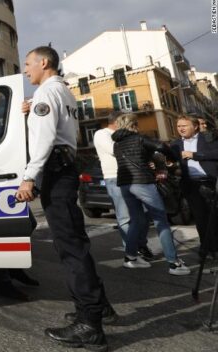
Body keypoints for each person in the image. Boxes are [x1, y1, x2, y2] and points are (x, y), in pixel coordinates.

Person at [16, 46, 112, 351]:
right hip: (66, 167)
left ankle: (89, 326)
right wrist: (32, 111)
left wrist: (29, 177)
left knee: (70, 248)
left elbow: (44, 140)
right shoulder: (63, 92)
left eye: (28, 64)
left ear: (44, 63)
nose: (25, 70)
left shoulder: (47, 93)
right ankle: (98, 308)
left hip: (56, 172)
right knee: (76, 242)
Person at [0, 91, 40, 301]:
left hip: (4, 180)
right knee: (2, 233)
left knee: (28, 223)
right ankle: (2, 281)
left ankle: (12, 268)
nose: (3, 104)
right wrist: (17, 108)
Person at [111, 113, 190, 276]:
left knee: (136, 220)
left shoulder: (117, 144)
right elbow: (161, 146)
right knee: (160, 219)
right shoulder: (140, 138)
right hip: (142, 183)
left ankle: (130, 258)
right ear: (134, 124)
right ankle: (174, 263)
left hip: (125, 184)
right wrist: (172, 157)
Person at [92, 112, 153, 260]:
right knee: (125, 216)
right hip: (115, 177)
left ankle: (140, 245)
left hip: (135, 177)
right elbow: (118, 150)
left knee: (144, 214)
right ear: (117, 122)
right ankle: (131, 250)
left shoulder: (125, 136)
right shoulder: (102, 134)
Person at [171, 115, 218, 256]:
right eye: (179, 126)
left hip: (211, 182)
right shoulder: (176, 144)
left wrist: (195, 155)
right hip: (191, 185)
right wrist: (170, 165)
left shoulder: (208, 138)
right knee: (200, 219)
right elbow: (174, 164)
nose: (181, 128)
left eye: (184, 125)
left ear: (195, 126)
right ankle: (206, 249)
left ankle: (215, 247)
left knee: (214, 217)